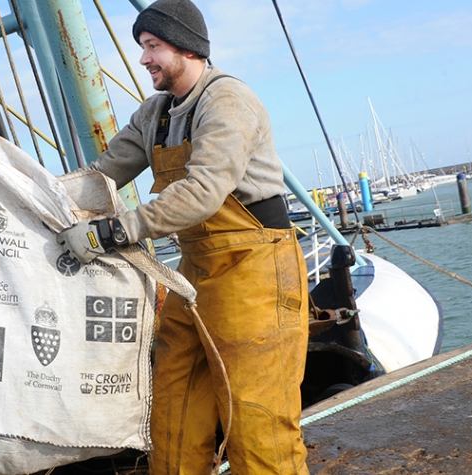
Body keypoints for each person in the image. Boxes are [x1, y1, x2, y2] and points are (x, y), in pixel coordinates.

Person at [56, 0, 310, 473]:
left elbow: (202, 193)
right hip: (195, 277)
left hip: (255, 274)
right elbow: (99, 178)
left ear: (188, 48)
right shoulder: (156, 114)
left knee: (258, 424)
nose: (144, 58)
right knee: (173, 415)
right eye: (142, 47)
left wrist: (110, 233)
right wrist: (38, 200)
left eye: (152, 46)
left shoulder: (227, 101)